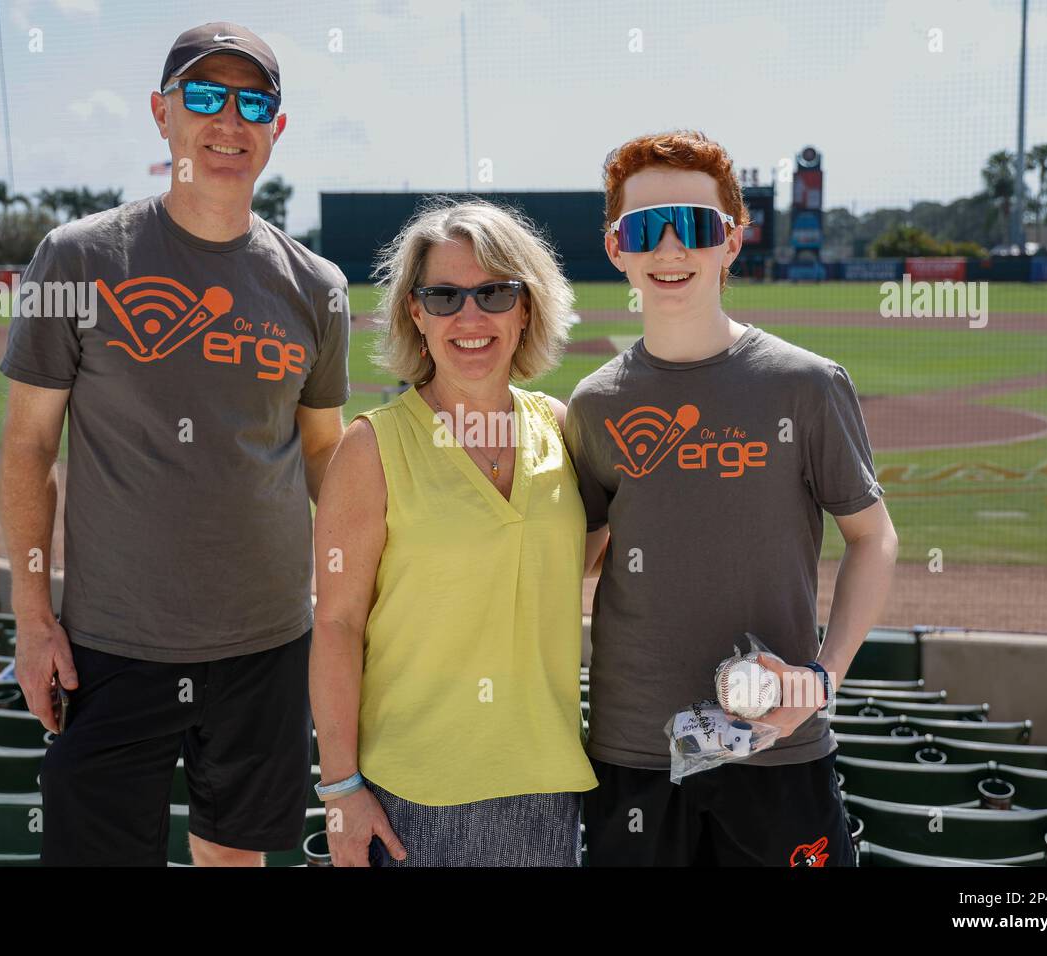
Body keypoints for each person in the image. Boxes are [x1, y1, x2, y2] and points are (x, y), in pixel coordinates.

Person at [0, 22, 350, 867]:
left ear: (277, 127)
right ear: (162, 114)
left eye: (253, 103)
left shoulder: (316, 286)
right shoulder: (77, 258)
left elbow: (323, 456)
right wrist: (33, 618)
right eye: (203, 96)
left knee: (234, 858)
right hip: (114, 645)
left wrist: (353, 603)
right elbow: (28, 447)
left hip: (269, 644)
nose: (228, 120)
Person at [565, 131, 899, 867]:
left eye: (695, 225)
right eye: (645, 229)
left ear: (732, 241)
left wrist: (822, 679)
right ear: (617, 248)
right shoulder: (594, 403)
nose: (670, 248)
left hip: (776, 744)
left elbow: (873, 537)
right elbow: (576, 560)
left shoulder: (806, 384)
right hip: (635, 749)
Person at [310, 199, 603, 867]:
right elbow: (337, 624)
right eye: (443, 296)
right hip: (412, 792)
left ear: (525, 308)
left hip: (547, 782)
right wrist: (341, 788)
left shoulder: (561, 427)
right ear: (415, 313)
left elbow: (573, 560)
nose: (470, 318)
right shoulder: (372, 446)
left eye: (494, 293)